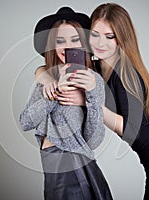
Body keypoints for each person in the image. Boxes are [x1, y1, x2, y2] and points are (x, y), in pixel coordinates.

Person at [36, 3, 149, 200]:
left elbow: (132, 130)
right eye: (95, 34)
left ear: (121, 39)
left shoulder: (125, 73)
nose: (100, 43)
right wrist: (46, 80)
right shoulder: (94, 69)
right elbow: (42, 69)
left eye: (110, 36)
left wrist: (88, 101)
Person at [19, 7, 113, 200]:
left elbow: (93, 140)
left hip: (84, 162)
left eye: (74, 40)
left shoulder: (93, 81)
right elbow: (25, 122)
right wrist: (54, 91)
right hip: (57, 162)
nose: (67, 46)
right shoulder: (47, 78)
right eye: (60, 41)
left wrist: (92, 98)